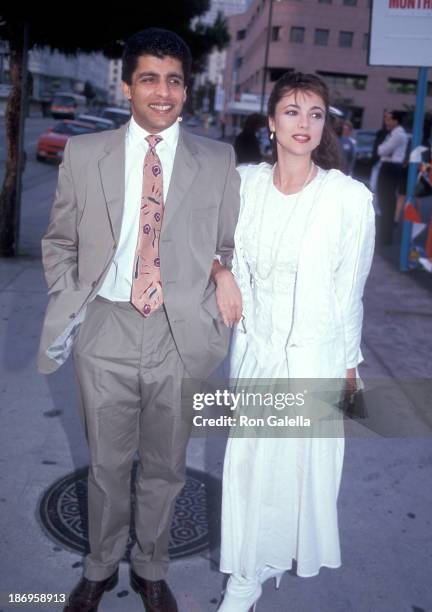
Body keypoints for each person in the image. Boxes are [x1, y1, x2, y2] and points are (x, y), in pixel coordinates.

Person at [38, 28, 241, 612]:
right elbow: (59, 239)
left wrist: (221, 273)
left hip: (179, 333)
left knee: (165, 466)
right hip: (106, 326)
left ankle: (151, 567)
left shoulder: (216, 158)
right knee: (105, 463)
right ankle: (100, 566)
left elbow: (227, 242)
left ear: (186, 90)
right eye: (149, 78)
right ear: (128, 86)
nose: (163, 92)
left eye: (174, 80)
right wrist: (70, 294)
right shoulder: (85, 153)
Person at [218, 72, 375, 611]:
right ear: (270, 122)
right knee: (248, 470)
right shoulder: (244, 185)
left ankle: (253, 575)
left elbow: (350, 292)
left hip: (317, 356)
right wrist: (221, 273)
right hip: (256, 352)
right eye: (292, 110)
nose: (304, 123)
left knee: (294, 476)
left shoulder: (348, 199)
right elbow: (204, 241)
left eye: (315, 113)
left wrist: (350, 370)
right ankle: (248, 571)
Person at [376, 110, 408, 245]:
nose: (386, 122)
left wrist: (382, 149)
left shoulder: (398, 135)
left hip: (390, 168)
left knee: (386, 201)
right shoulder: (395, 134)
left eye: (389, 119)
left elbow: (381, 150)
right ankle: (385, 235)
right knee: (386, 202)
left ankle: (385, 237)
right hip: (390, 167)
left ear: (396, 121)